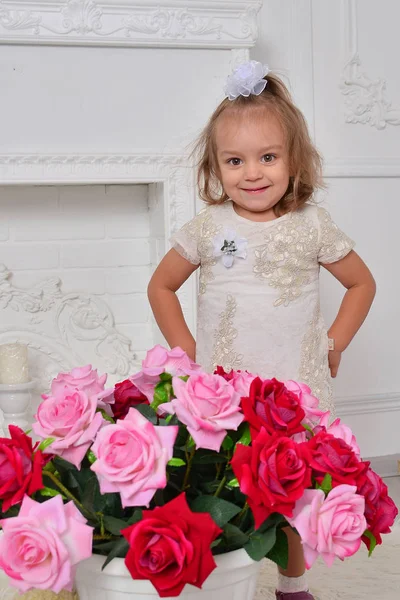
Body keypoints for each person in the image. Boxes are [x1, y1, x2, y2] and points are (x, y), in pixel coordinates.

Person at [147, 61, 376, 600]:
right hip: (227, 390)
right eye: (235, 160)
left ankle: (291, 585)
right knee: (224, 484)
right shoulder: (207, 229)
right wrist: (189, 355)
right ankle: (226, 580)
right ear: (215, 167)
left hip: (295, 388)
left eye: (268, 157)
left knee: (292, 490)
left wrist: (332, 344)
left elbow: (361, 284)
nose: (252, 173)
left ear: (294, 161)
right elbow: (161, 287)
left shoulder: (312, 225)